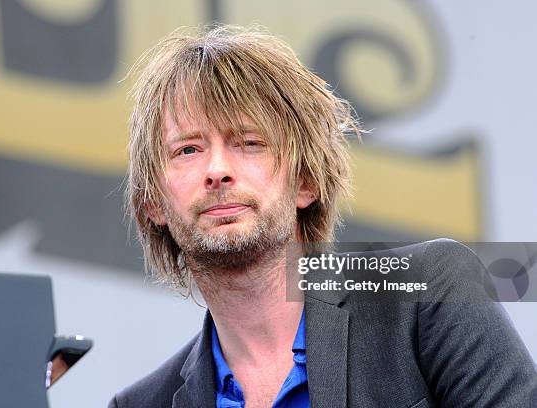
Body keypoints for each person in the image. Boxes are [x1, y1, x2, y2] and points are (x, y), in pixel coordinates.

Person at [109, 24, 536, 408]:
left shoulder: (430, 290)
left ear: (306, 182)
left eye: (249, 142)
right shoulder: (142, 404)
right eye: (188, 149)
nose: (217, 170)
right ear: (154, 202)